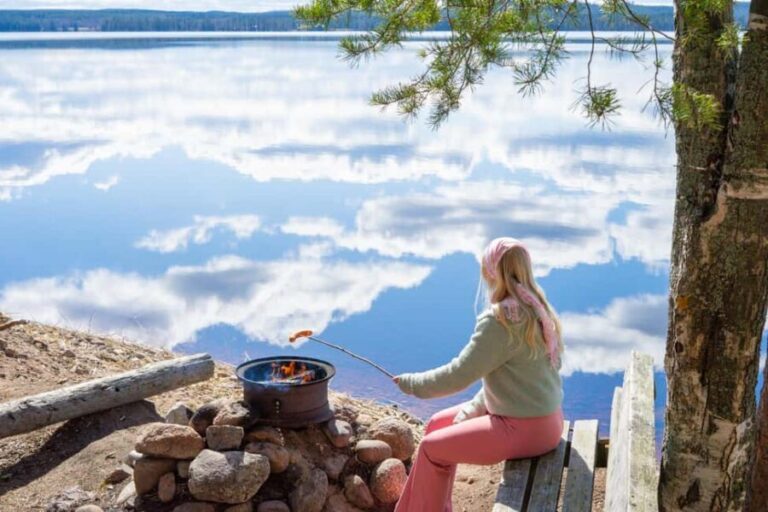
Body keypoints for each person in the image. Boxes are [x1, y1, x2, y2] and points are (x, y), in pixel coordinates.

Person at [393, 237, 565, 512]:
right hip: (546, 420)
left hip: (523, 427)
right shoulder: (537, 308)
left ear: (489, 272)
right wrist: (475, 408)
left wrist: (412, 384)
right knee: (437, 425)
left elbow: (457, 375)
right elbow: (519, 380)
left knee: (430, 448)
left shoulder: (501, 320)